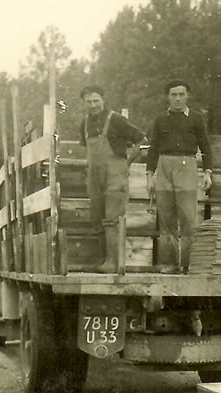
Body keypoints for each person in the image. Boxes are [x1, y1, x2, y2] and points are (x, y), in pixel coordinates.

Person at [146, 79, 212, 273]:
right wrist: (150, 176)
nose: (177, 99)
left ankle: (188, 265)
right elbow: (153, 149)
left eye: (181, 94)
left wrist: (208, 172)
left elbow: (206, 147)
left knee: (187, 217)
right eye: (173, 95)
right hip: (164, 166)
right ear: (168, 97)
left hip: (187, 166)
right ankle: (170, 264)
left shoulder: (196, 118)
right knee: (166, 217)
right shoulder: (160, 119)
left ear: (187, 96)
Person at [80, 85, 145, 272]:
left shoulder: (116, 119)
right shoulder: (84, 124)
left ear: (103, 100)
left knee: (113, 216)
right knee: (97, 216)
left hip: (115, 174)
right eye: (88, 102)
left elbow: (141, 139)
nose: (93, 105)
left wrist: (128, 161)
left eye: (96, 101)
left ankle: (114, 262)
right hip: (95, 176)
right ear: (84, 103)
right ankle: (104, 260)